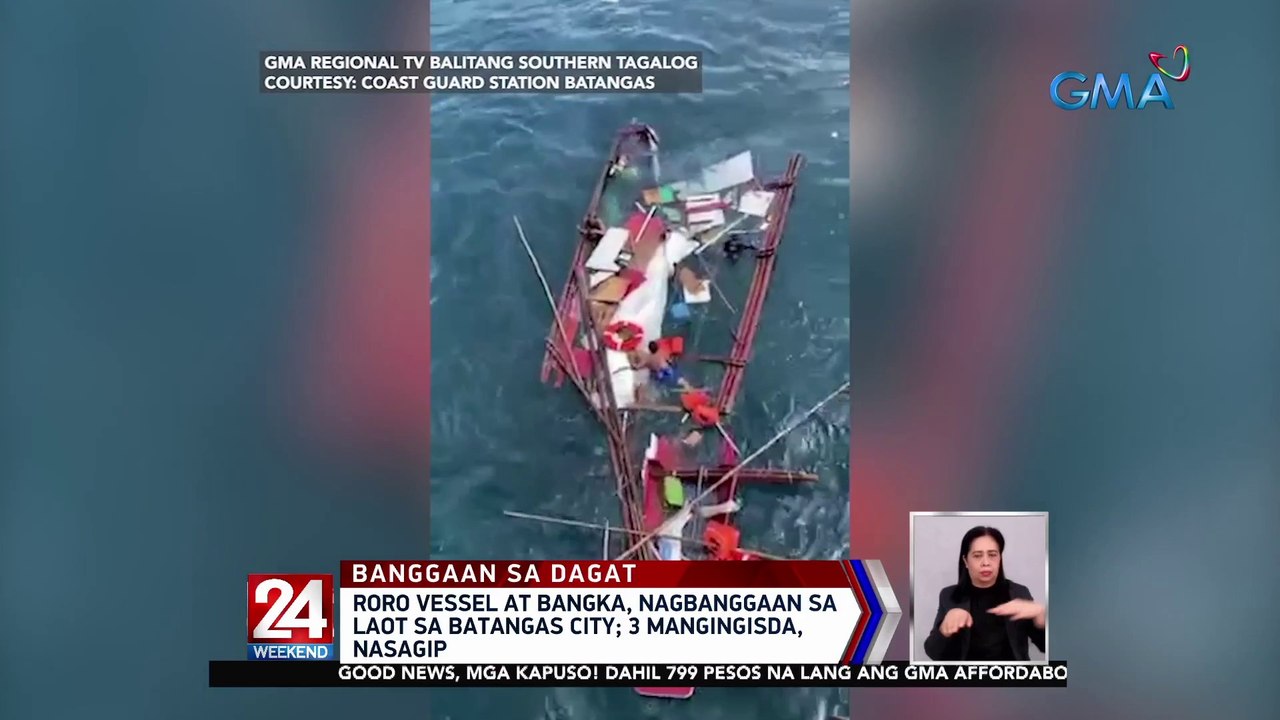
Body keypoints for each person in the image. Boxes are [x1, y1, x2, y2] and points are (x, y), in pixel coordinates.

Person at [922, 526, 1046, 661]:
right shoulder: (949, 596)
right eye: (977, 556)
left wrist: (1040, 617)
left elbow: (1045, 646)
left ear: (1000, 558)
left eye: (992, 555)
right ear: (966, 561)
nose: (986, 563)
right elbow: (933, 652)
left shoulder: (1019, 592)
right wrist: (944, 629)